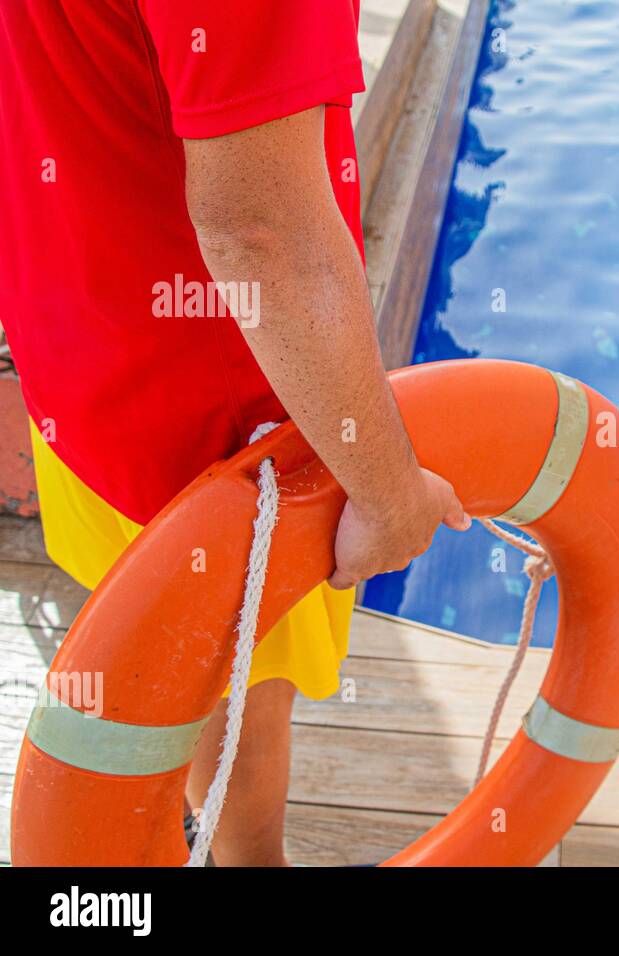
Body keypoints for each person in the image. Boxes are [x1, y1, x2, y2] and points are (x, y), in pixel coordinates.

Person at [0, 0, 470, 865]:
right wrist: (388, 488)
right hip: (221, 436)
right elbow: (260, 233)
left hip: (78, 357)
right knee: (242, 703)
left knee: (176, 669)